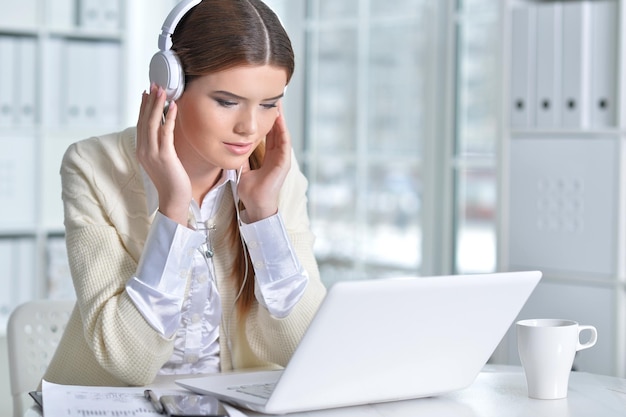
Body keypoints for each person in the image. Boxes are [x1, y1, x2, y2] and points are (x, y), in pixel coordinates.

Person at [42, 0, 327, 387]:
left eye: (269, 105)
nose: (250, 127)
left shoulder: (275, 175)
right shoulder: (93, 165)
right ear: (170, 85)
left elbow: (303, 349)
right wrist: (173, 210)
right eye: (227, 102)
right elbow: (128, 361)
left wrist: (263, 215)